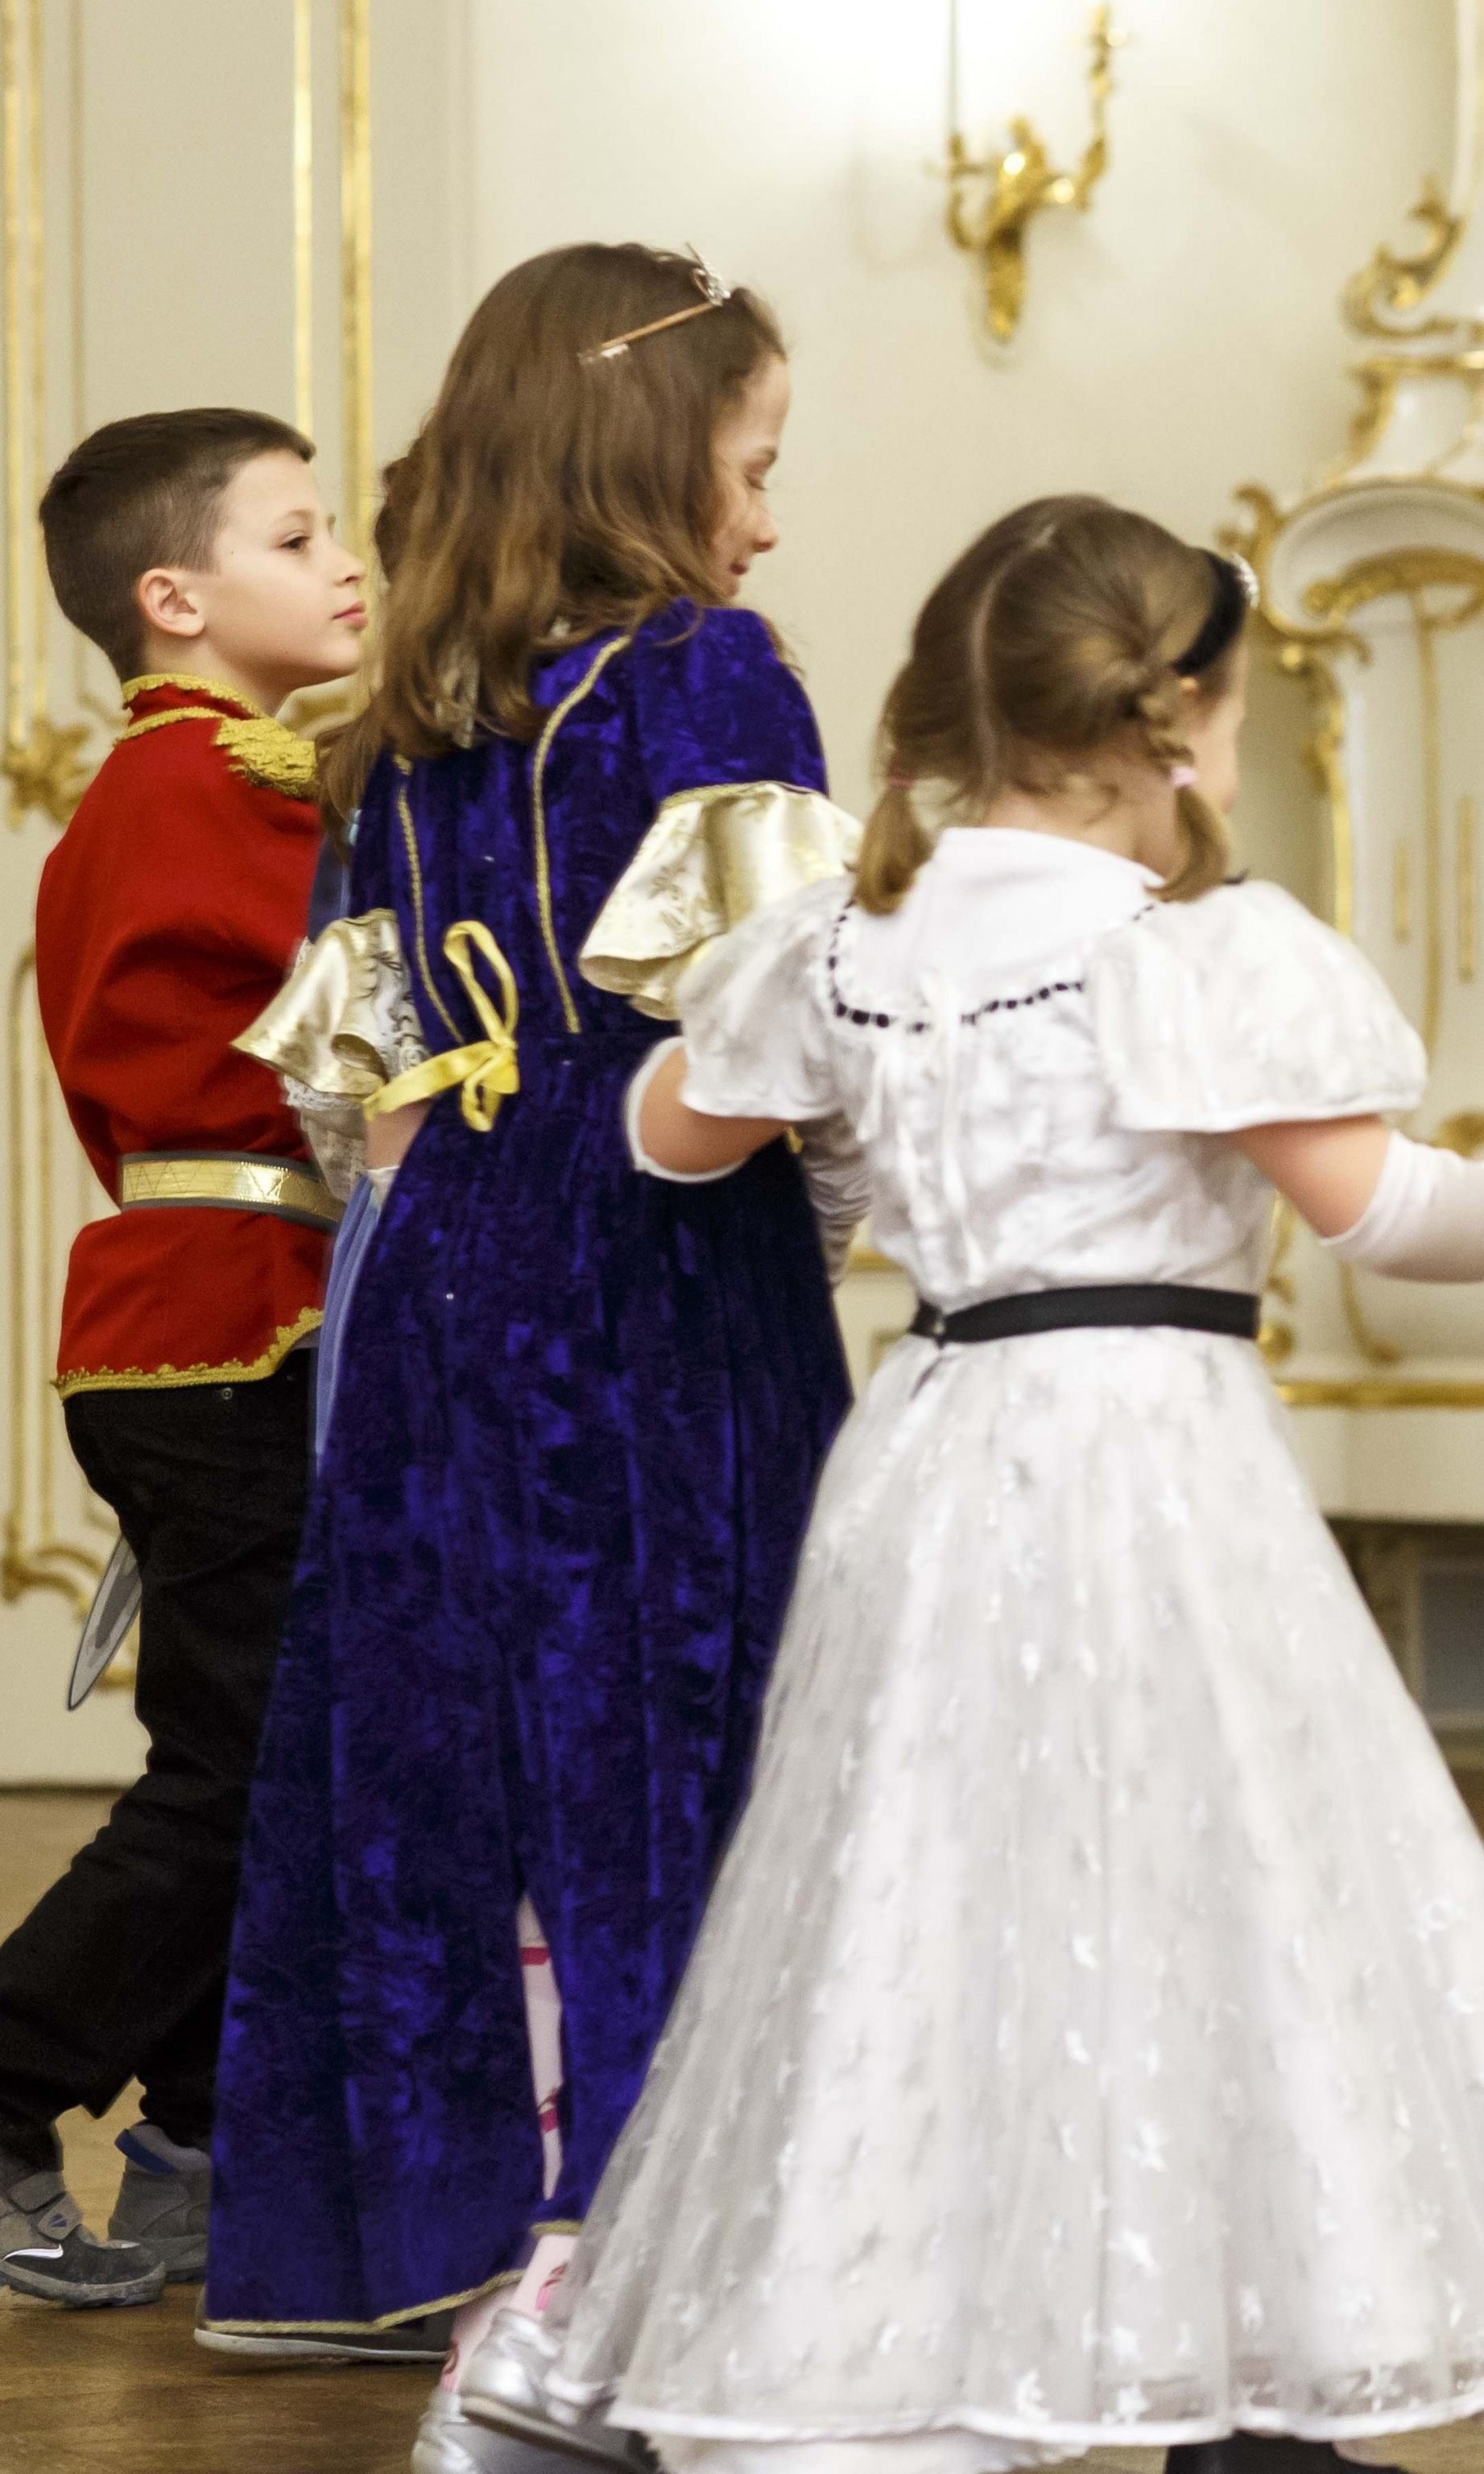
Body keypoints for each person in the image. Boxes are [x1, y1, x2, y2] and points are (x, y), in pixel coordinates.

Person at [469, 495, 1484, 2474]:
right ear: (1177, 722)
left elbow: (667, 1134)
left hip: (940, 1439)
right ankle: (1238, 2374)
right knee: (1207, 1875)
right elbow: (1382, 1209)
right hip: (1144, 1446)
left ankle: (901, 2336)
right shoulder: (1192, 952)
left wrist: (782, 1051)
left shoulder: (840, 942)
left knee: (928, 1880)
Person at [201, 245, 866, 2472]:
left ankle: (529, 2251)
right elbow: (778, 1033)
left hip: (441, 1272)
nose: (767, 519)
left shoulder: (401, 720)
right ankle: (646, 2280)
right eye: (754, 464)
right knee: (690, 1734)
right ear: (659, 451)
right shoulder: (706, 672)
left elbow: (358, 1094)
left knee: (467, 1763)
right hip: (665, 1275)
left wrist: (440, 1299)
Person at [0, 410, 364, 2311]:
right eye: (300, 537)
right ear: (174, 597)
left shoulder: (160, 793)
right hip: (240, 1317)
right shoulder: (226, 784)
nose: (349, 563)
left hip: (194, 1311)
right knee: (240, 1764)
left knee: (254, 1747)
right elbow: (370, 1013)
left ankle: (197, 2143)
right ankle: (17, 2079)